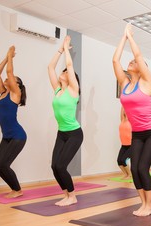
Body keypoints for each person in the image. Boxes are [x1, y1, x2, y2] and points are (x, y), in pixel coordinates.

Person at [113, 23, 151, 217]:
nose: (132, 62)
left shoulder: (146, 81)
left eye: (135, 63)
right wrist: (123, 38)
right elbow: (115, 61)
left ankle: (150, 205)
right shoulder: (125, 84)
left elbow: (140, 57)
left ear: (143, 69)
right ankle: (143, 203)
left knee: (143, 167)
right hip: (137, 133)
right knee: (134, 168)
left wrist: (131, 37)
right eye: (132, 61)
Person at [48, 35, 83, 206]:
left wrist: (67, 46)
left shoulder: (73, 90)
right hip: (61, 133)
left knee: (61, 166)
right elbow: (50, 67)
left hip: (75, 133)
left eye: (66, 73)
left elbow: (69, 65)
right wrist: (60, 50)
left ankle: (73, 196)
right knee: (54, 166)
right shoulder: (57, 90)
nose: (63, 73)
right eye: (62, 72)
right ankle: (66, 195)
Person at [0, 46, 27, 198]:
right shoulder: (3, 92)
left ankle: (17, 190)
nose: (9, 80)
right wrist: (7, 58)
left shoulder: (15, 94)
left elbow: (8, 72)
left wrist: (10, 56)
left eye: (13, 80)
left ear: (17, 85)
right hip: (6, 136)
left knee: (4, 164)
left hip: (17, 136)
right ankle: (14, 188)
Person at [117, 106, 132, 179]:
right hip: (124, 145)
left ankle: (129, 174)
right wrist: (123, 103)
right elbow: (122, 109)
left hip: (131, 145)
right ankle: (125, 174)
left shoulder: (132, 121)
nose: (124, 112)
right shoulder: (122, 120)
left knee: (124, 160)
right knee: (119, 161)